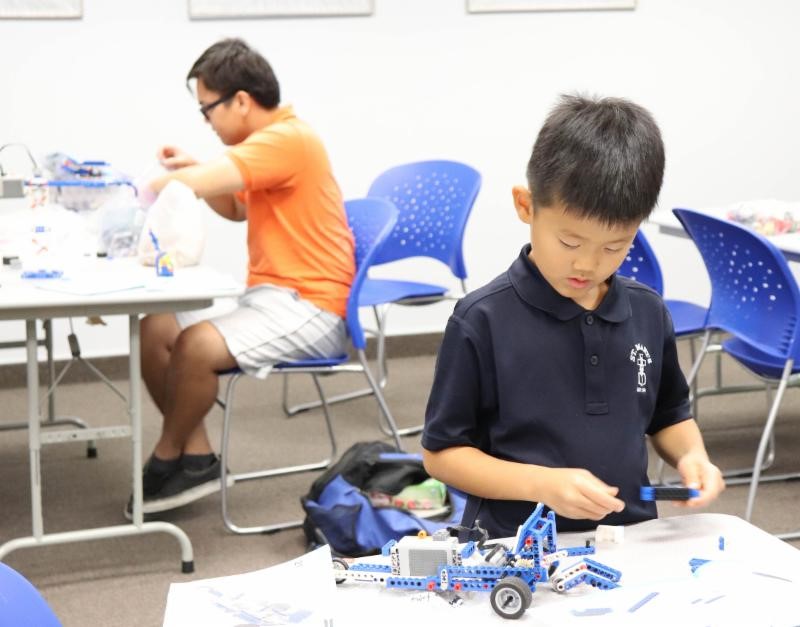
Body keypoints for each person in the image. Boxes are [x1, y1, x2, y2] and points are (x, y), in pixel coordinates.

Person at [421, 95, 725, 538]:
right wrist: (541, 485)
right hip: (515, 546)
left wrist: (691, 456)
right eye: (569, 242)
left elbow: (669, 414)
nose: (587, 264)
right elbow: (442, 454)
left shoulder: (646, 311)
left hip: (629, 540)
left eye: (615, 247)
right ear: (526, 206)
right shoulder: (481, 319)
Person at [128, 38, 355, 518]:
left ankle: (167, 454)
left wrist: (146, 186)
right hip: (271, 300)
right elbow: (234, 207)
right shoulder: (268, 145)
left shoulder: (286, 139)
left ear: (242, 101)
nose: (207, 121)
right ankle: (196, 456)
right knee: (156, 327)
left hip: (312, 307)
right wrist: (194, 171)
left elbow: (189, 188)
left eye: (207, 109)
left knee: (195, 346)